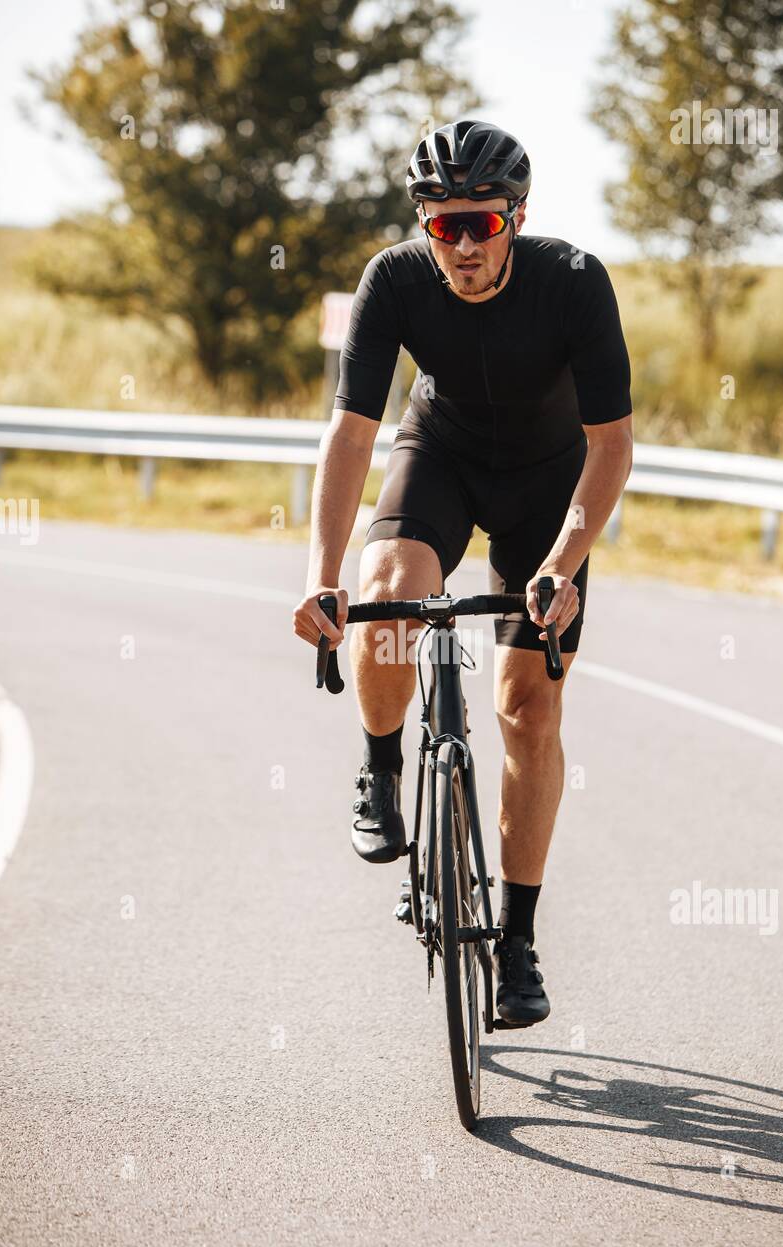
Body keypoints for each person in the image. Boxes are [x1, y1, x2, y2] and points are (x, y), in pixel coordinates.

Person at [293, 119, 633, 1026]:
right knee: (389, 585)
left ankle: (517, 940)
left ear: (517, 217)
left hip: (549, 486)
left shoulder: (573, 283)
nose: (467, 246)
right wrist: (325, 575)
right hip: (440, 453)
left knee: (529, 705)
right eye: (446, 226)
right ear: (424, 226)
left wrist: (563, 563)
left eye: (482, 223)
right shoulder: (395, 280)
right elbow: (353, 433)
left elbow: (613, 447)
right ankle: (380, 766)